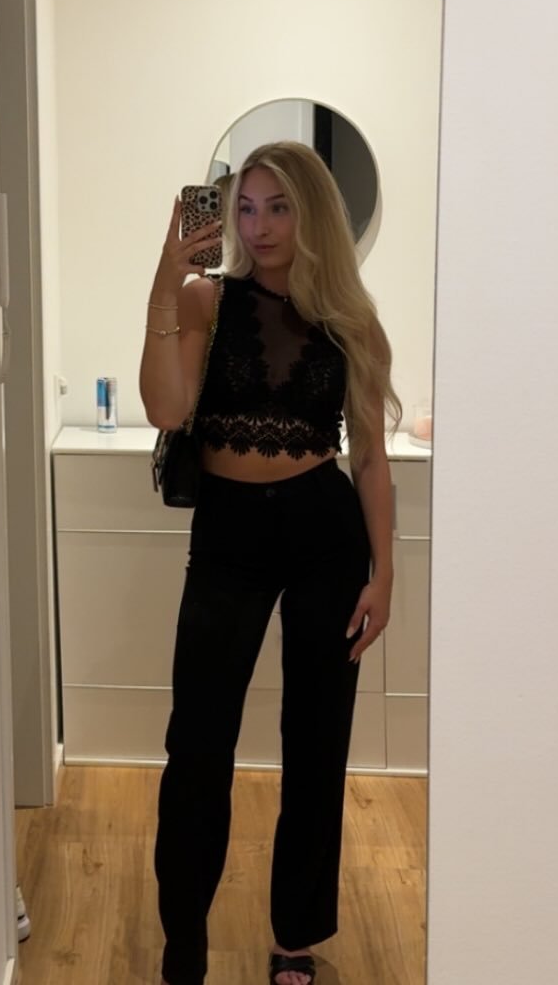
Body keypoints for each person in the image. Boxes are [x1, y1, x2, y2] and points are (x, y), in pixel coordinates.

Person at [139, 141, 401, 985]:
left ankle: (296, 937)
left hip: (325, 530)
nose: (258, 226)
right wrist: (165, 279)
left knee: (318, 741)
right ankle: (185, 939)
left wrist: (385, 573)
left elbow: (370, 459)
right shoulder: (204, 299)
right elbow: (166, 408)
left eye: (278, 207)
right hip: (230, 534)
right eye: (245, 207)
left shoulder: (351, 319)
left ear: (311, 210)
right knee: (198, 742)